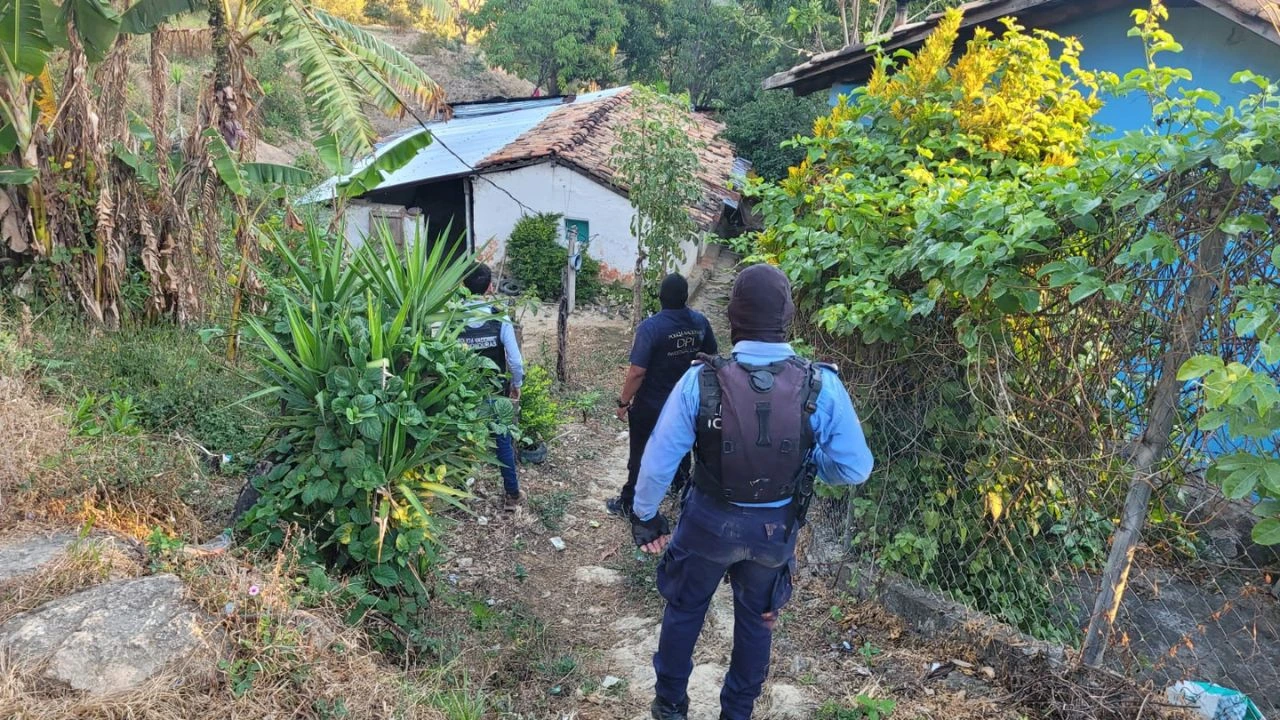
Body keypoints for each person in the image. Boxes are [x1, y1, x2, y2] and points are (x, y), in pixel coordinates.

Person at [630, 264, 874, 720]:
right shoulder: (819, 384)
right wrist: (810, 464)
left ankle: (670, 705)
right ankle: (737, 712)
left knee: (684, 608)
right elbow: (855, 467)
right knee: (758, 621)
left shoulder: (700, 380)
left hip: (707, 524)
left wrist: (645, 515)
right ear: (788, 317)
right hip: (773, 532)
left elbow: (658, 461)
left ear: (732, 316)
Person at [607, 273, 718, 519]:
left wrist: (623, 402)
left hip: (651, 405)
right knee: (682, 447)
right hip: (687, 404)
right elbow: (711, 357)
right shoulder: (700, 323)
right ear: (685, 296)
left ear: (660, 297)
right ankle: (680, 493)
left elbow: (637, 372)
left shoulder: (651, 328)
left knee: (640, 453)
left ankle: (629, 501)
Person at [460, 263, 526, 510]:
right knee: (503, 441)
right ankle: (512, 495)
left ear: (463, 286)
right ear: (489, 287)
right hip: (495, 392)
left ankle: (457, 494)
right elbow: (515, 361)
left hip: (463, 394)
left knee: (461, 442)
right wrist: (517, 384)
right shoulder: (499, 317)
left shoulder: (452, 317)